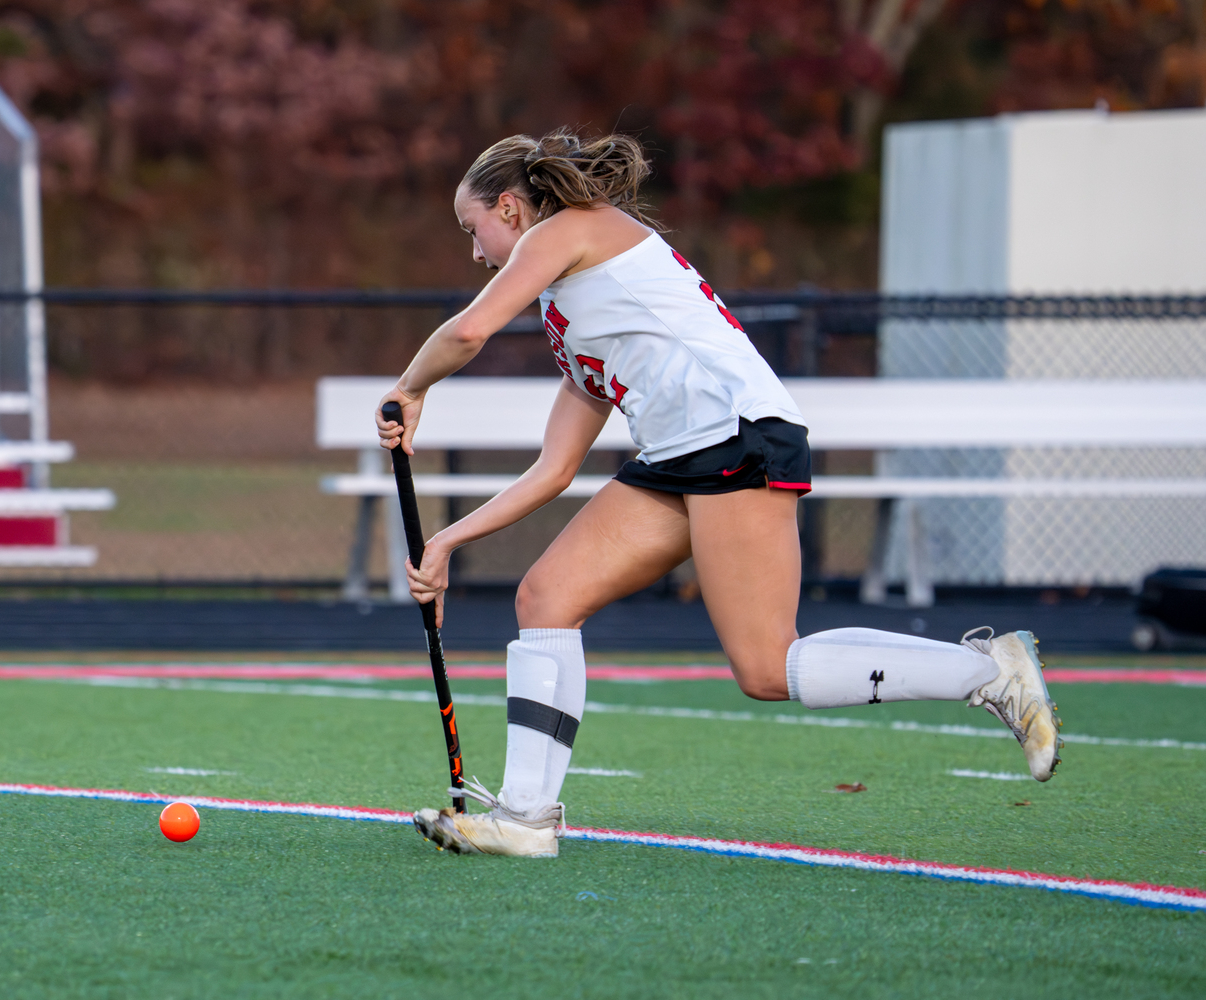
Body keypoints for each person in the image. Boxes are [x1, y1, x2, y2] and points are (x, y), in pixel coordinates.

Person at [375, 130, 1062, 859]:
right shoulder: (572, 309)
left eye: (472, 229)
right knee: (545, 598)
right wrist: (449, 542)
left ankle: (991, 671)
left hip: (736, 436)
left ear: (510, 207)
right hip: (678, 455)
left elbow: (471, 330)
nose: (475, 252)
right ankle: (525, 818)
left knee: (767, 667)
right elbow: (553, 469)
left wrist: (409, 387)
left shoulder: (569, 231)